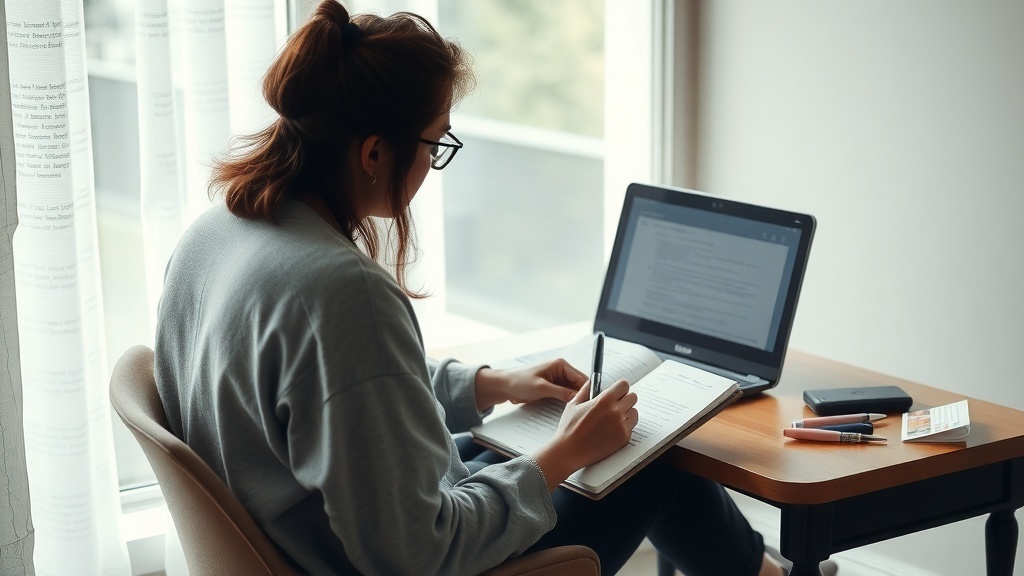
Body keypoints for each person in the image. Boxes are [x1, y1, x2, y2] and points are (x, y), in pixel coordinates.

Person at [154, 1, 839, 575]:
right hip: (386, 557)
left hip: (314, 531)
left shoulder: (218, 233)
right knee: (651, 461)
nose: (433, 164)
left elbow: (333, 390)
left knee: (506, 444)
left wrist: (490, 385)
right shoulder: (342, 291)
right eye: (435, 145)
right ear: (372, 152)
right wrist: (568, 451)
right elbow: (418, 551)